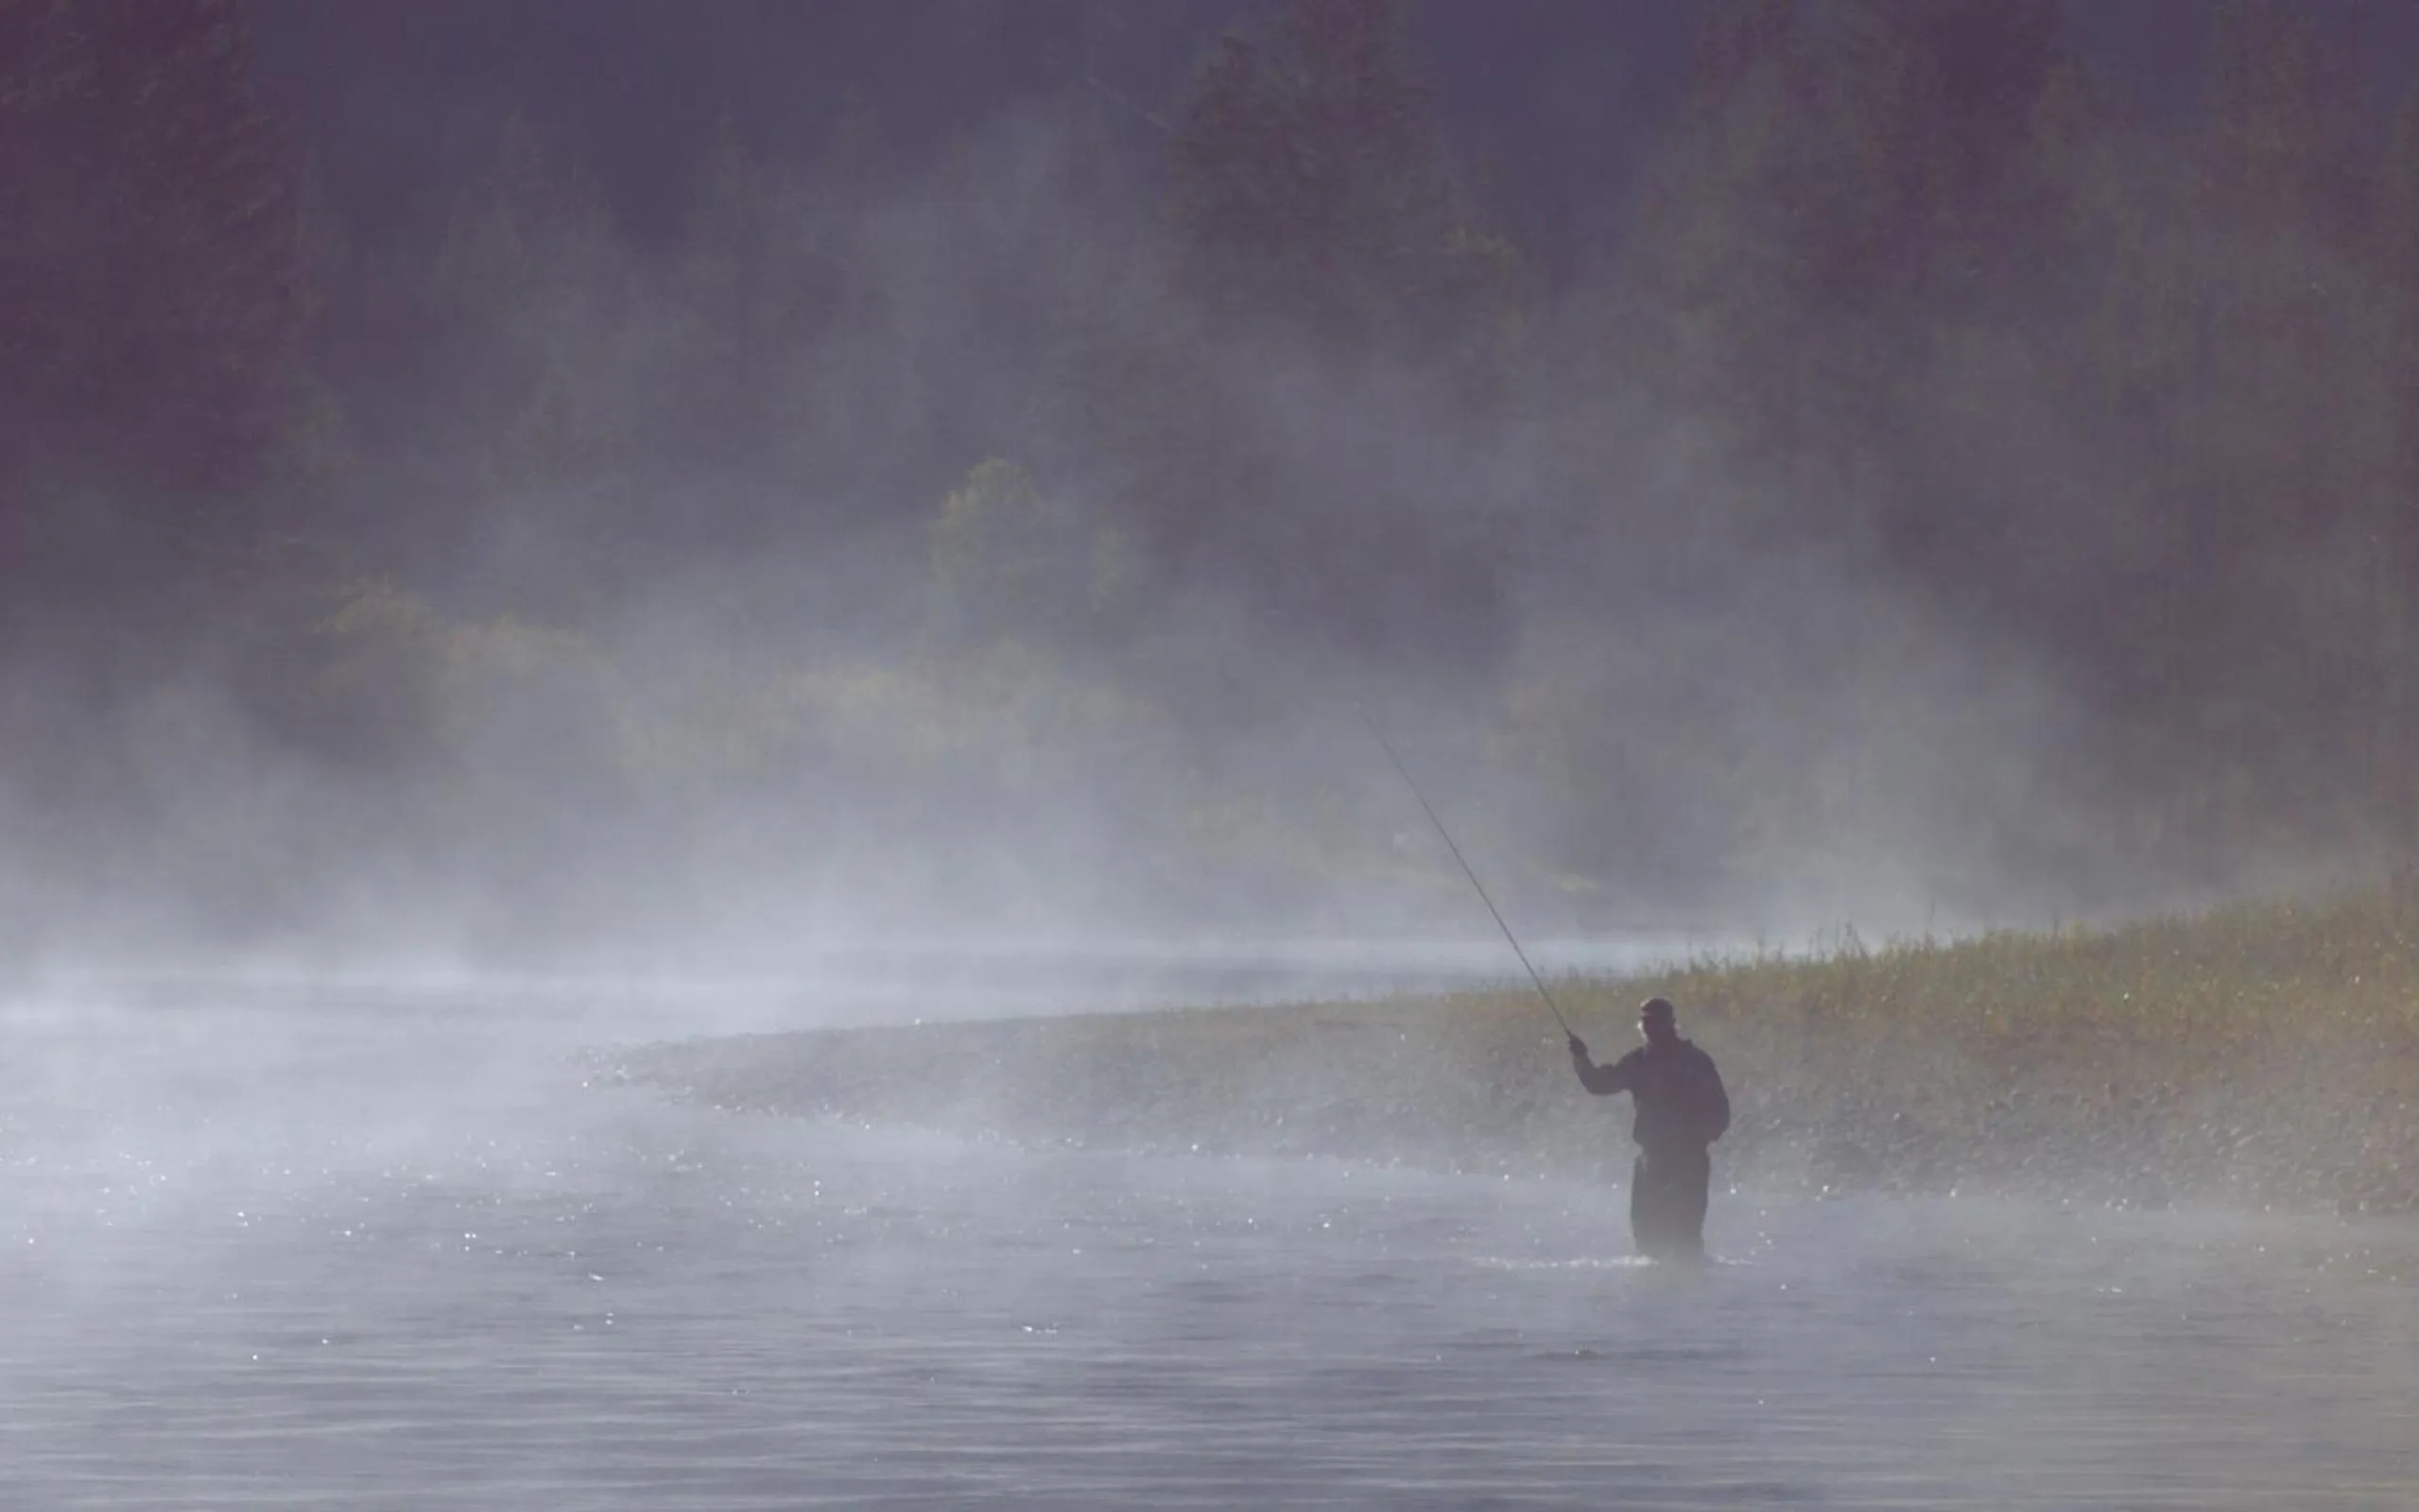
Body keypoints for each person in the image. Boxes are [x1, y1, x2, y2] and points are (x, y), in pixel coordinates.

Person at [1569, 996, 1729, 1261]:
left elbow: (1720, 1110)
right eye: (1646, 1022)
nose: (1650, 1027)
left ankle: (1688, 1289)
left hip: (1689, 1160)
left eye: (1656, 1022)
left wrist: (1700, 1138)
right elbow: (1599, 1084)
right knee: (1646, 1236)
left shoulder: (1695, 1062)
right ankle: (1654, 1292)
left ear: (1671, 1024)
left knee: (1685, 1236)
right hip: (1652, 1159)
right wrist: (1581, 1058)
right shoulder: (1639, 1061)